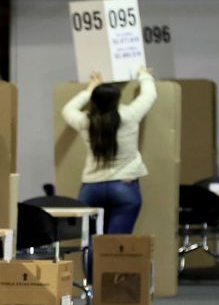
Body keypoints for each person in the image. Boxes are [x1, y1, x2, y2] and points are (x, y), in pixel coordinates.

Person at [61, 68, 157, 233]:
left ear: (94, 100)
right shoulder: (129, 115)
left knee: (91, 243)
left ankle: (90, 260)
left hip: (91, 188)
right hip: (124, 186)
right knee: (114, 247)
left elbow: (67, 110)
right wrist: (144, 75)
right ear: (117, 100)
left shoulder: (86, 121)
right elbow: (149, 95)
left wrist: (89, 89)